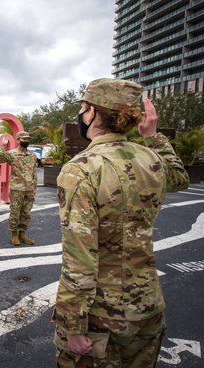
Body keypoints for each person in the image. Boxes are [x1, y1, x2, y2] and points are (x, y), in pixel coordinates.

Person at [53, 78, 189, 367]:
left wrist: (72, 325)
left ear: (91, 113)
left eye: (84, 108)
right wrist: (153, 136)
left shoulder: (81, 168)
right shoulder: (150, 158)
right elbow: (179, 178)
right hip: (148, 307)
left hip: (102, 315)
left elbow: (80, 257)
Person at [0, 131, 38, 245]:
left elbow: (34, 172)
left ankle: (22, 234)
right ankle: (14, 234)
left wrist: (34, 187)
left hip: (29, 188)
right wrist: (3, 145)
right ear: (18, 140)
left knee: (26, 213)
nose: (26, 141)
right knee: (15, 212)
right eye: (24, 139)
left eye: (27, 139)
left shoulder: (32, 155)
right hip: (17, 188)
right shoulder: (12, 154)